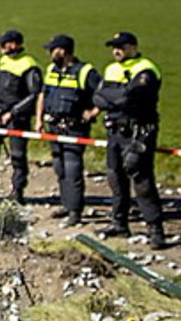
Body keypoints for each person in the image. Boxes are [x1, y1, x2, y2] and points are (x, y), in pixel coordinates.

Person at [92, 31, 166, 248]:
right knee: (115, 178)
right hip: (115, 131)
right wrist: (116, 98)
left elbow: (129, 97)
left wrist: (112, 97)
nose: (117, 51)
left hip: (138, 131)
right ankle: (119, 223)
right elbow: (97, 97)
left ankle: (155, 231)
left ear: (133, 46)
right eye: (114, 47)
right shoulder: (111, 69)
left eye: (121, 47)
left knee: (141, 180)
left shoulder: (145, 69)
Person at [34, 34, 100, 227]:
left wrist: (93, 112)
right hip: (54, 126)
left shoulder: (85, 72)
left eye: (52, 50)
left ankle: (75, 211)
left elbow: (104, 94)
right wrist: (38, 119)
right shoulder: (51, 70)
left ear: (63, 50)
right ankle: (66, 203)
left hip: (74, 129)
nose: (49, 54)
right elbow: (43, 95)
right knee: (59, 167)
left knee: (73, 169)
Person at [0, 30, 41, 204]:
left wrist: (12, 113)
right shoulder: (4, 61)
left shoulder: (29, 65)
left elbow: (34, 95)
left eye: (4, 44)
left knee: (17, 156)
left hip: (16, 117)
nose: (1, 48)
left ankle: (17, 193)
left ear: (15, 44)